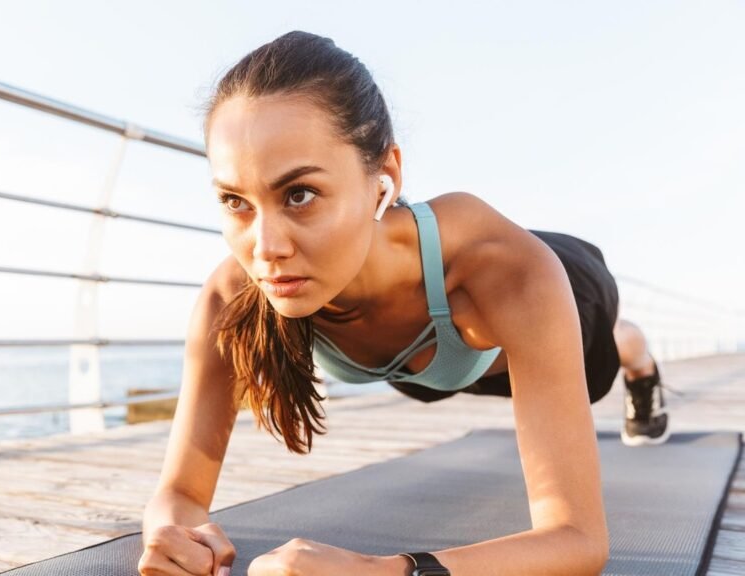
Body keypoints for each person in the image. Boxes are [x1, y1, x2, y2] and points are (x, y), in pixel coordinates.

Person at [138, 30, 670, 576]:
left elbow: (578, 541)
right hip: (425, 367)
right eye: (236, 201)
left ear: (384, 179)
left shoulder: (503, 271)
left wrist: (381, 570)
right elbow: (177, 493)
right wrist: (173, 539)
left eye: (299, 194)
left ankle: (636, 352)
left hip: (565, 299)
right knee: (429, 378)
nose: (266, 248)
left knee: (604, 352)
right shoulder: (233, 296)